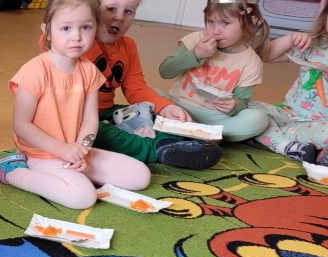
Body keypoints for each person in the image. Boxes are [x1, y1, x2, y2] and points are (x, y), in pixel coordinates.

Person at [0, 0, 151, 210]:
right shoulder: (34, 71)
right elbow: (21, 125)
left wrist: (82, 151)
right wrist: (62, 149)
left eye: (86, 27)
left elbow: (90, 119)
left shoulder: (89, 70)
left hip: (74, 150)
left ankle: (73, 172)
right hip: (39, 154)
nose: (77, 36)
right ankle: (12, 171)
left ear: (95, 28)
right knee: (83, 197)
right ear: (48, 31)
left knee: (141, 175)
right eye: (66, 28)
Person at [85, 0, 222, 169]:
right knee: (99, 133)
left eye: (128, 11)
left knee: (151, 113)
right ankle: (158, 147)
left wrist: (165, 108)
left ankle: (180, 141)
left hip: (107, 112)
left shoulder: (128, 46)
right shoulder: (78, 42)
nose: (119, 17)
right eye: (111, 9)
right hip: (80, 117)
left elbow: (136, 89)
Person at [158, 0, 270, 143]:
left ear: (249, 23)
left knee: (258, 119)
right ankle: (203, 136)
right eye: (210, 22)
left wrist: (234, 105)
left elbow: (241, 101)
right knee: (149, 95)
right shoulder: (196, 39)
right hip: (176, 106)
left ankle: (186, 131)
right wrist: (196, 54)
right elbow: (165, 71)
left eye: (225, 23)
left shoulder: (251, 62)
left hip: (214, 118)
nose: (215, 31)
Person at [248, 2, 328, 164]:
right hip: (286, 114)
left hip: (319, 125)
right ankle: (290, 145)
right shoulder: (314, 44)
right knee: (248, 107)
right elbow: (264, 55)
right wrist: (290, 40)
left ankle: (274, 137)